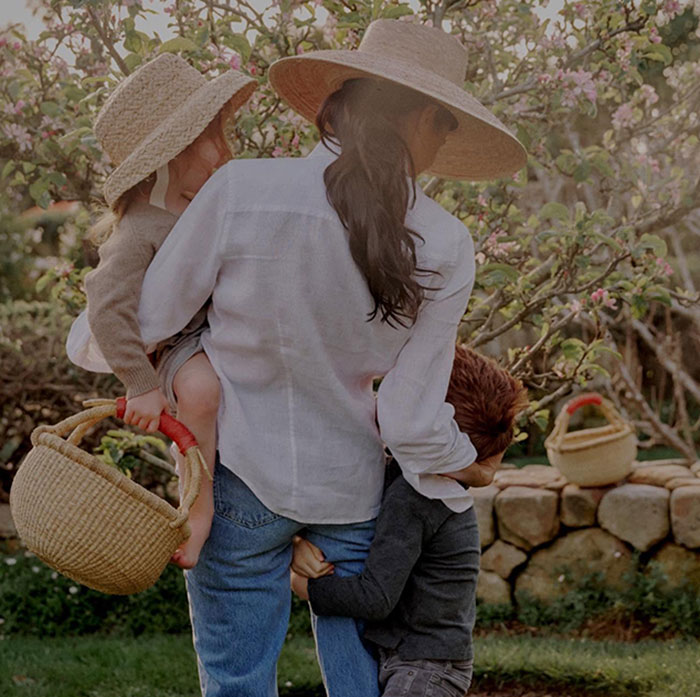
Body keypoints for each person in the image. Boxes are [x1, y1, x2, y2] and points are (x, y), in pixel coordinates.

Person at [68, 18, 526, 697]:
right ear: (424, 118)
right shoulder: (445, 242)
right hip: (354, 495)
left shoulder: (241, 192)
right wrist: (473, 465)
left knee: (237, 683)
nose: (446, 139)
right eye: (447, 123)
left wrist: (155, 371)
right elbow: (407, 420)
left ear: (340, 101)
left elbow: (123, 330)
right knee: (364, 687)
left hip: (240, 488)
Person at [66, 53, 256, 568]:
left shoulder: (205, 205)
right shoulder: (141, 228)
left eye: (222, 135)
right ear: (169, 154)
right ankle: (196, 512)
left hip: (222, 329)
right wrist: (140, 383)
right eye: (210, 140)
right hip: (177, 344)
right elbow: (107, 304)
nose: (223, 151)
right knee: (199, 392)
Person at [290, 346, 528, 697]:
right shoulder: (427, 478)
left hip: (426, 667)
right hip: (423, 661)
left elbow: (375, 597)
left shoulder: (417, 496)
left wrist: (301, 586)